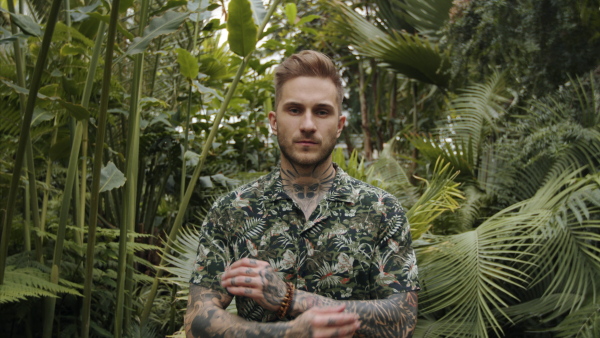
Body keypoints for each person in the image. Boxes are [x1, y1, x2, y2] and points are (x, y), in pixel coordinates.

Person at [185, 50, 420, 337]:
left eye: (322, 112)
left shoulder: (382, 210)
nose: (308, 125)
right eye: (294, 110)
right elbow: (197, 321)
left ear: (339, 126)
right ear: (274, 121)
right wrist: (288, 333)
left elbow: (403, 318)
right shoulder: (232, 210)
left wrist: (289, 298)